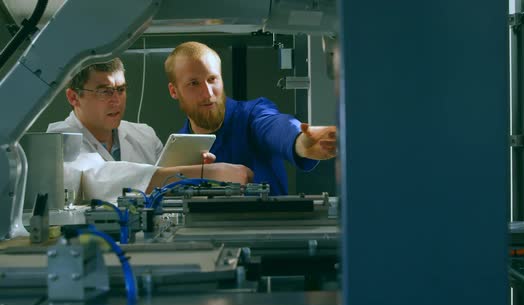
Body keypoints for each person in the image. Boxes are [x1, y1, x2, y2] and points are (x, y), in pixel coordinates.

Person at [48, 58, 253, 201]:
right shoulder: (59, 138)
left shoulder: (143, 134)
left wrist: (188, 174)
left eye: (121, 90)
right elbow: (98, 180)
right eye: (105, 91)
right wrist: (200, 173)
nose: (116, 100)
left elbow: (163, 188)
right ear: (73, 97)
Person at [165, 41, 337, 195]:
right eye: (194, 83)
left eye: (212, 79)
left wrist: (299, 141)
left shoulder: (252, 115)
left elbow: (275, 126)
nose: (208, 93)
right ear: (174, 91)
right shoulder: (178, 152)